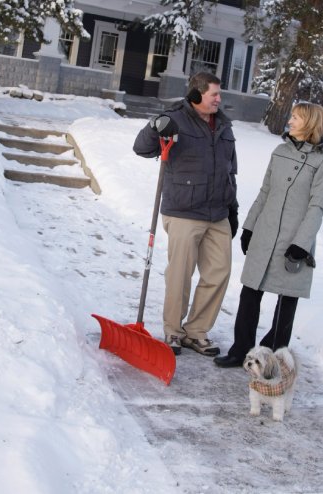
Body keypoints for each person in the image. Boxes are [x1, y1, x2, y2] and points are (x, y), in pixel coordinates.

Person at [214, 102, 323, 368]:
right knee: (250, 293)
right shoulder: (280, 152)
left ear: (310, 123)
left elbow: (317, 206)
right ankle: (240, 350)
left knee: (287, 299)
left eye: (296, 117)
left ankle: (272, 357)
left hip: (294, 239)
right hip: (265, 232)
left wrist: (301, 244)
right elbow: (265, 191)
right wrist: (249, 226)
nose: (290, 121)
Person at [133, 72, 239, 357]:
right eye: (214, 94)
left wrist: (233, 208)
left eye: (219, 94)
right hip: (184, 211)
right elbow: (142, 148)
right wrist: (155, 127)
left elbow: (230, 171)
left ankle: (196, 331)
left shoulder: (224, 126)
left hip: (218, 213)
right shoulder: (174, 119)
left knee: (219, 273)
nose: (219, 99)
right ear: (195, 95)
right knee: (180, 274)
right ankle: (173, 331)